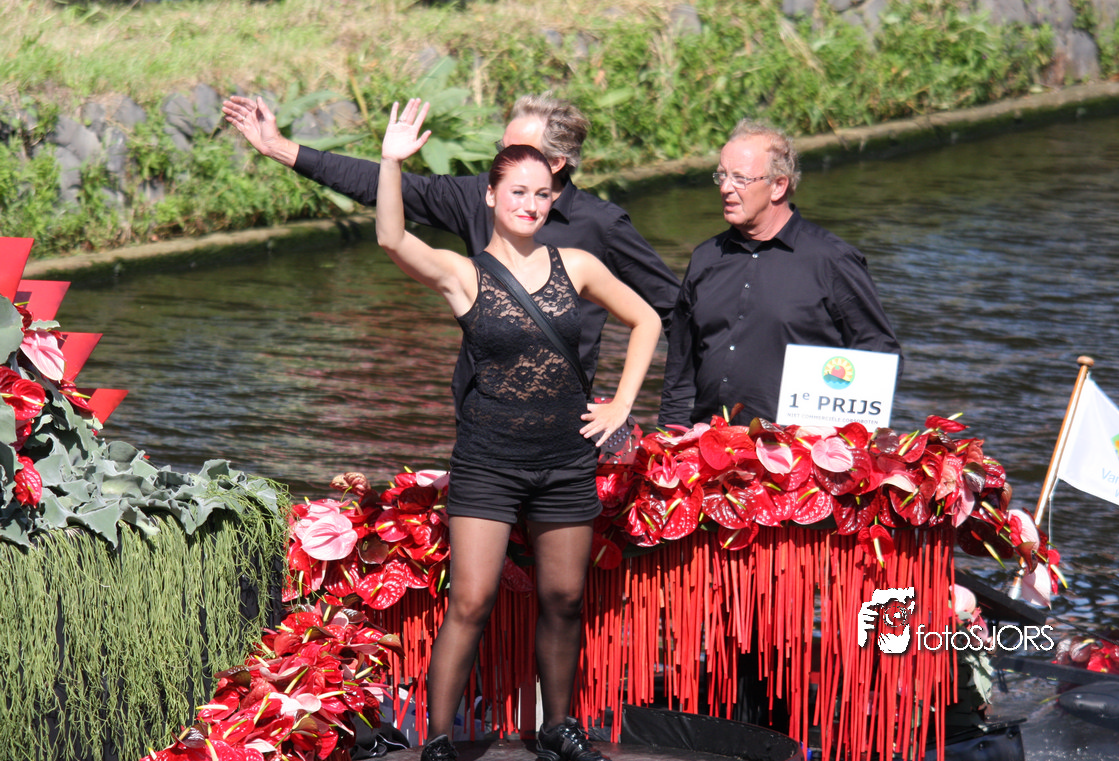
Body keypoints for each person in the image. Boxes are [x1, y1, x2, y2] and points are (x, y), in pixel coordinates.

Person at [375, 99, 661, 761]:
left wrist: (620, 404)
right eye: (517, 192)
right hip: (489, 463)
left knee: (563, 597)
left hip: (565, 460)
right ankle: (438, 739)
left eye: (541, 193)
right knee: (471, 601)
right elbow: (392, 238)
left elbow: (647, 319)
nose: (530, 204)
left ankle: (557, 727)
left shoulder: (577, 265)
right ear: (491, 196)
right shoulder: (463, 274)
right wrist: (391, 163)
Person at [221, 92, 679, 416]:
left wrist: (669, 417)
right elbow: (385, 190)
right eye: (501, 149)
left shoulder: (601, 225)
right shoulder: (482, 196)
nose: (501, 161)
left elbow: (671, 310)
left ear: (556, 164)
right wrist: (280, 148)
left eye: (516, 151)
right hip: (480, 409)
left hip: (562, 416)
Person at [658, 119, 900, 429]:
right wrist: (670, 437)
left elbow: (878, 353)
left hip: (795, 449)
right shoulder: (705, 258)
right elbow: (680, 369)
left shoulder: (832, 260)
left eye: (740, 178)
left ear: (778, 186)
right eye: (722, 175)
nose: (725, 188)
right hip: (710, 444)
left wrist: (841, 438)